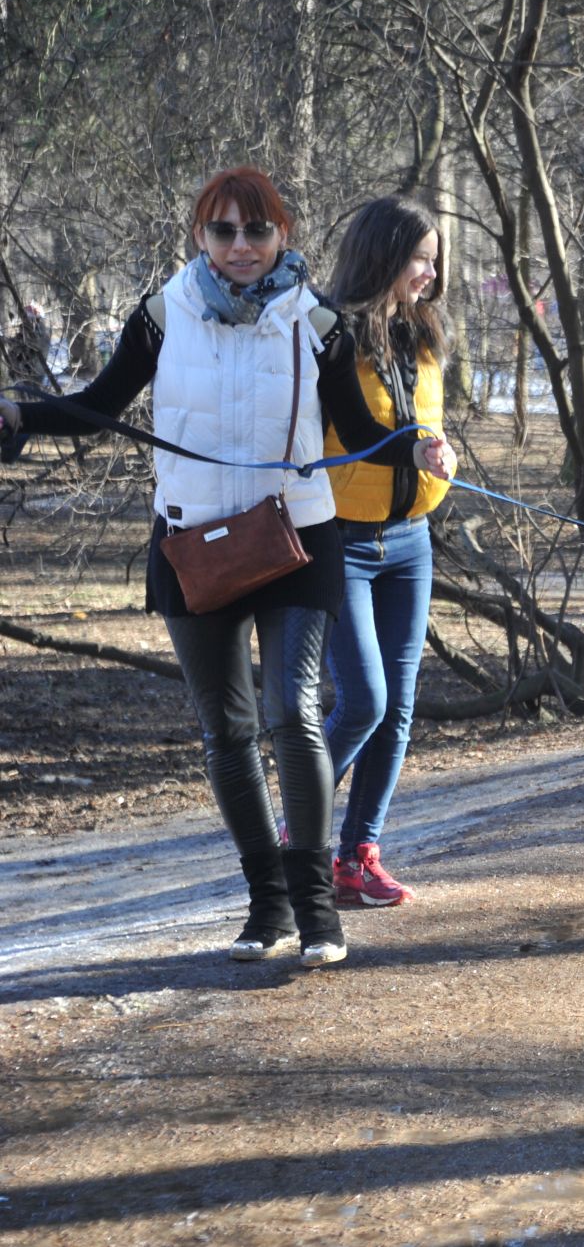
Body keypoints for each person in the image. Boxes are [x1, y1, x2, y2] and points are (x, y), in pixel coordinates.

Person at [0, 167, 452, 967]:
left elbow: (353, 425)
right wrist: (20, 416)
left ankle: (318, 914)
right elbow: (99, 406)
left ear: (282, 235)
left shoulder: (316, 322)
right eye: (223, 232)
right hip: (192, 545)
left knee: (294, 713)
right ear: (200, 237)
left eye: (257, 231)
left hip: (297, 541)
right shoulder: (161, 316)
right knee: (228, 732)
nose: (241, 248)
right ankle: (265, 909)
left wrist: (415, 446)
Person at [319, 196, 458, 907]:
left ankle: (357, 856)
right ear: (382, 256)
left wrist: (443, 449)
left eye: (435, 261)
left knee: (398, 705)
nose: (430, 274)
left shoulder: (426, 332)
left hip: (412, 542)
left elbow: (423, 418)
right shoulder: (332, 334)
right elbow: (350, 425)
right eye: (419, 259)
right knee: (364, 699)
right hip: (343, 541)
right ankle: (299, 828)